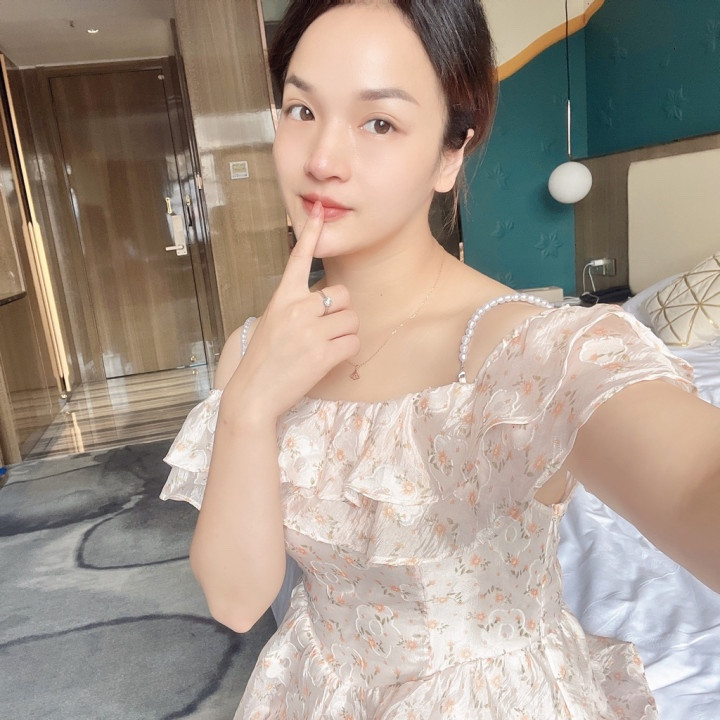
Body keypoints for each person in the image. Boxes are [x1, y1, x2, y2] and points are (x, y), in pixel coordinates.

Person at [161, 1, 720, 717]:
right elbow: (236, 602)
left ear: (450, 153)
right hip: (315, 690)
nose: (322, 160)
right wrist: (248, 404)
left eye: (379, 123)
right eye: (302, 110)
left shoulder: (534, 351)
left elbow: (695, 478)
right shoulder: (253, 347)